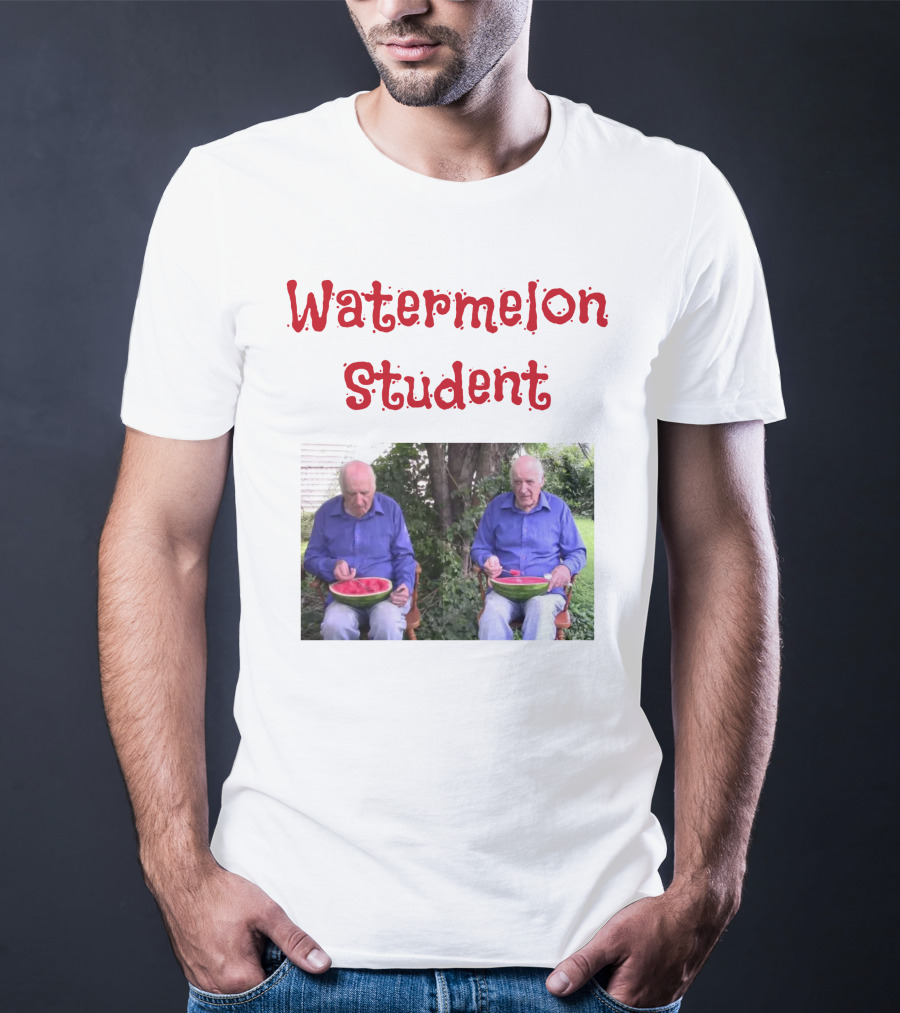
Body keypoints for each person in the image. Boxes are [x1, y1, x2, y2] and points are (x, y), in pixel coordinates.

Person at [98, 1, 786, 1010]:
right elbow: (158, 540)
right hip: (297, 951)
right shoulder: (230, 197)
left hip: (587, 953)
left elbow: (723, 543)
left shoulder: (673, 202)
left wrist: (711, 877)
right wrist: (176, 863)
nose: (401, 3)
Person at [473, 454, 586, 640]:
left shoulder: (559, 509)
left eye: (529, 482)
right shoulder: (496, 508)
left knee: (540, 611)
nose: (523, 489)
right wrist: (487, 559)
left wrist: (567, 567)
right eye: (517, 482)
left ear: (542, 481)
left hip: (545, 593)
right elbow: (479, 548)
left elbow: (577, 552)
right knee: (492, 614)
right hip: (504, 592)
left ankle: (535, 667)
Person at [303, 460, 415, 640]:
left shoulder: (390, 509)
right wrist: (332, 566)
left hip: (386, 597)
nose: (358, 501)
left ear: (374, 487)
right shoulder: (325, 513)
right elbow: (311, 558)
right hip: (344, 600)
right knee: (334, 626)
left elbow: (404, 555)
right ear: (341, 490)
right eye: (351, 494)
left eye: (365, 493)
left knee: (387, 624)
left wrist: (405, 585)